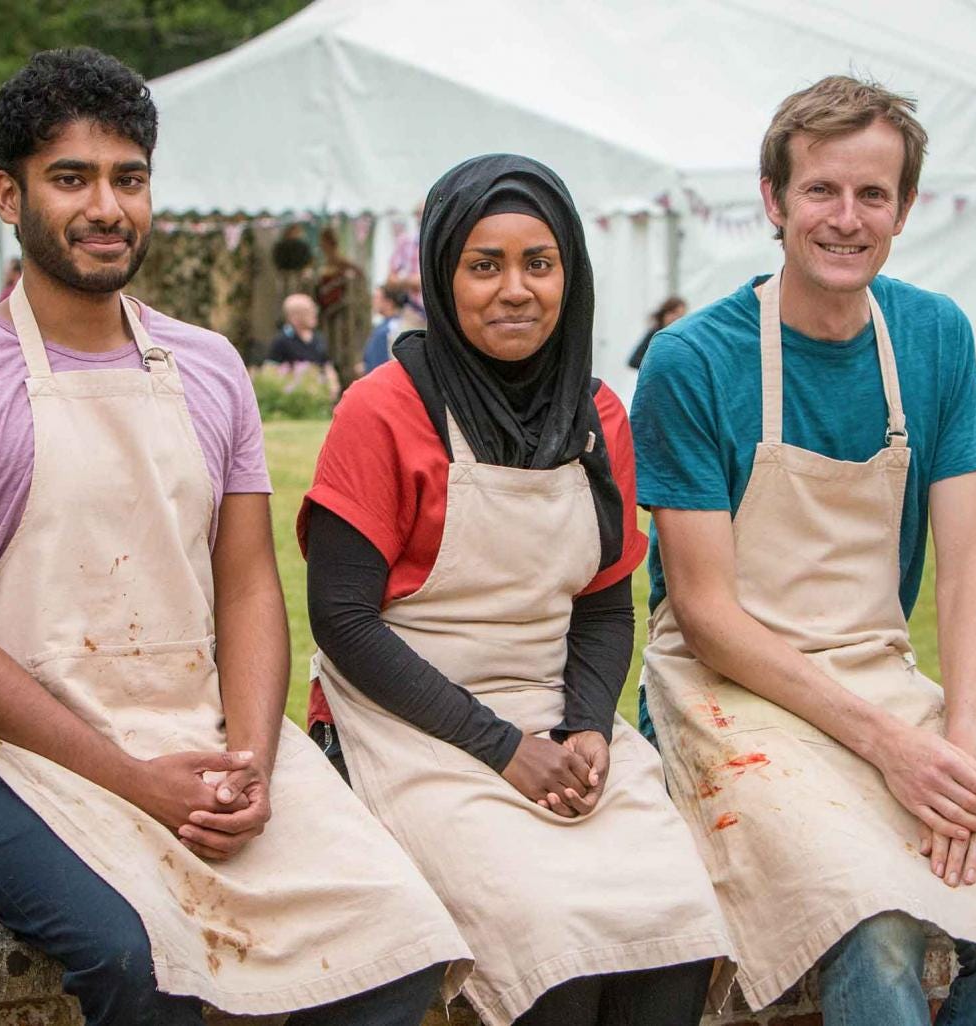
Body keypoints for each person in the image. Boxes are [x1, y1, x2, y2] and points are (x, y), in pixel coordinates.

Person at [0, 47, 469, 1026]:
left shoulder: (210, 367)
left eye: (129, 178)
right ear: (11, 200)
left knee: (397, 931)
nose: (107, 206)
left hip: (191, 731)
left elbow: (248, 590)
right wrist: (138, 783)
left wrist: (252, 763)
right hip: (2, 767)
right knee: (137, 953)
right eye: (72, 178)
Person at [632, 75, 976, 1022]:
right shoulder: (692, 361)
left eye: (873, 194)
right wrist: (888, 749)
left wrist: (962, 740)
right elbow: (706, 614)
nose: (847, 218)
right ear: (773, 201)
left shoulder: (934, 337)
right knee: (875, 927)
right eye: (821, 191)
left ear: (905, 208)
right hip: (730, 693)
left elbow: (970, 565)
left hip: (877, 667)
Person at [299, 154, 731, 1026]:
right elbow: (341, 620)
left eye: (539, 262)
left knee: (676, 923)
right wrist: (502, 749)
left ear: (570, 273)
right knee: (550, 945)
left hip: (552, 713)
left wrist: (586, 726)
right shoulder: (382, 411)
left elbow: (607, 603)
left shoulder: (599, 416)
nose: (515, 289)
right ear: (442, 275)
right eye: (484, 265)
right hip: (407, 726)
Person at [316, 226, 371, 390]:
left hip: (347, 323)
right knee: (332, 359)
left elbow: (358, 293)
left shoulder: (347, 267)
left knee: (347, 361)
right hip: (328, 324)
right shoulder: (323, 268)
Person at [386, 200, 425, 324]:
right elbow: (390, 280)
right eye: (420, 214)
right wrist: (410, 281)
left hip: (441, 316)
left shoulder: (446, 241)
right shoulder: (406, 242)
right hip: (413, 313)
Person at [265, 293, 330, 367]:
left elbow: (327, 366)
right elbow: (270, 369)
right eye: (308, 311)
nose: (314, 313)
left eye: (314, 309)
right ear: (294, 317)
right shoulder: (281, 340)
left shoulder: (318, 338)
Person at [627, 295, 686, 369]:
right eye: (674, 313)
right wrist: (659, 365)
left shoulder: (682, 337)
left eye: (681, 315)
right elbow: (634, 361)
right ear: (664, 313)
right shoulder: (655, 334)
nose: (676, 318)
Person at [362, 283, 405, 374]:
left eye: (376, 298)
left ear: (389, 303)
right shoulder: (382, 326)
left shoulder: (391, 329)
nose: (373, 301)